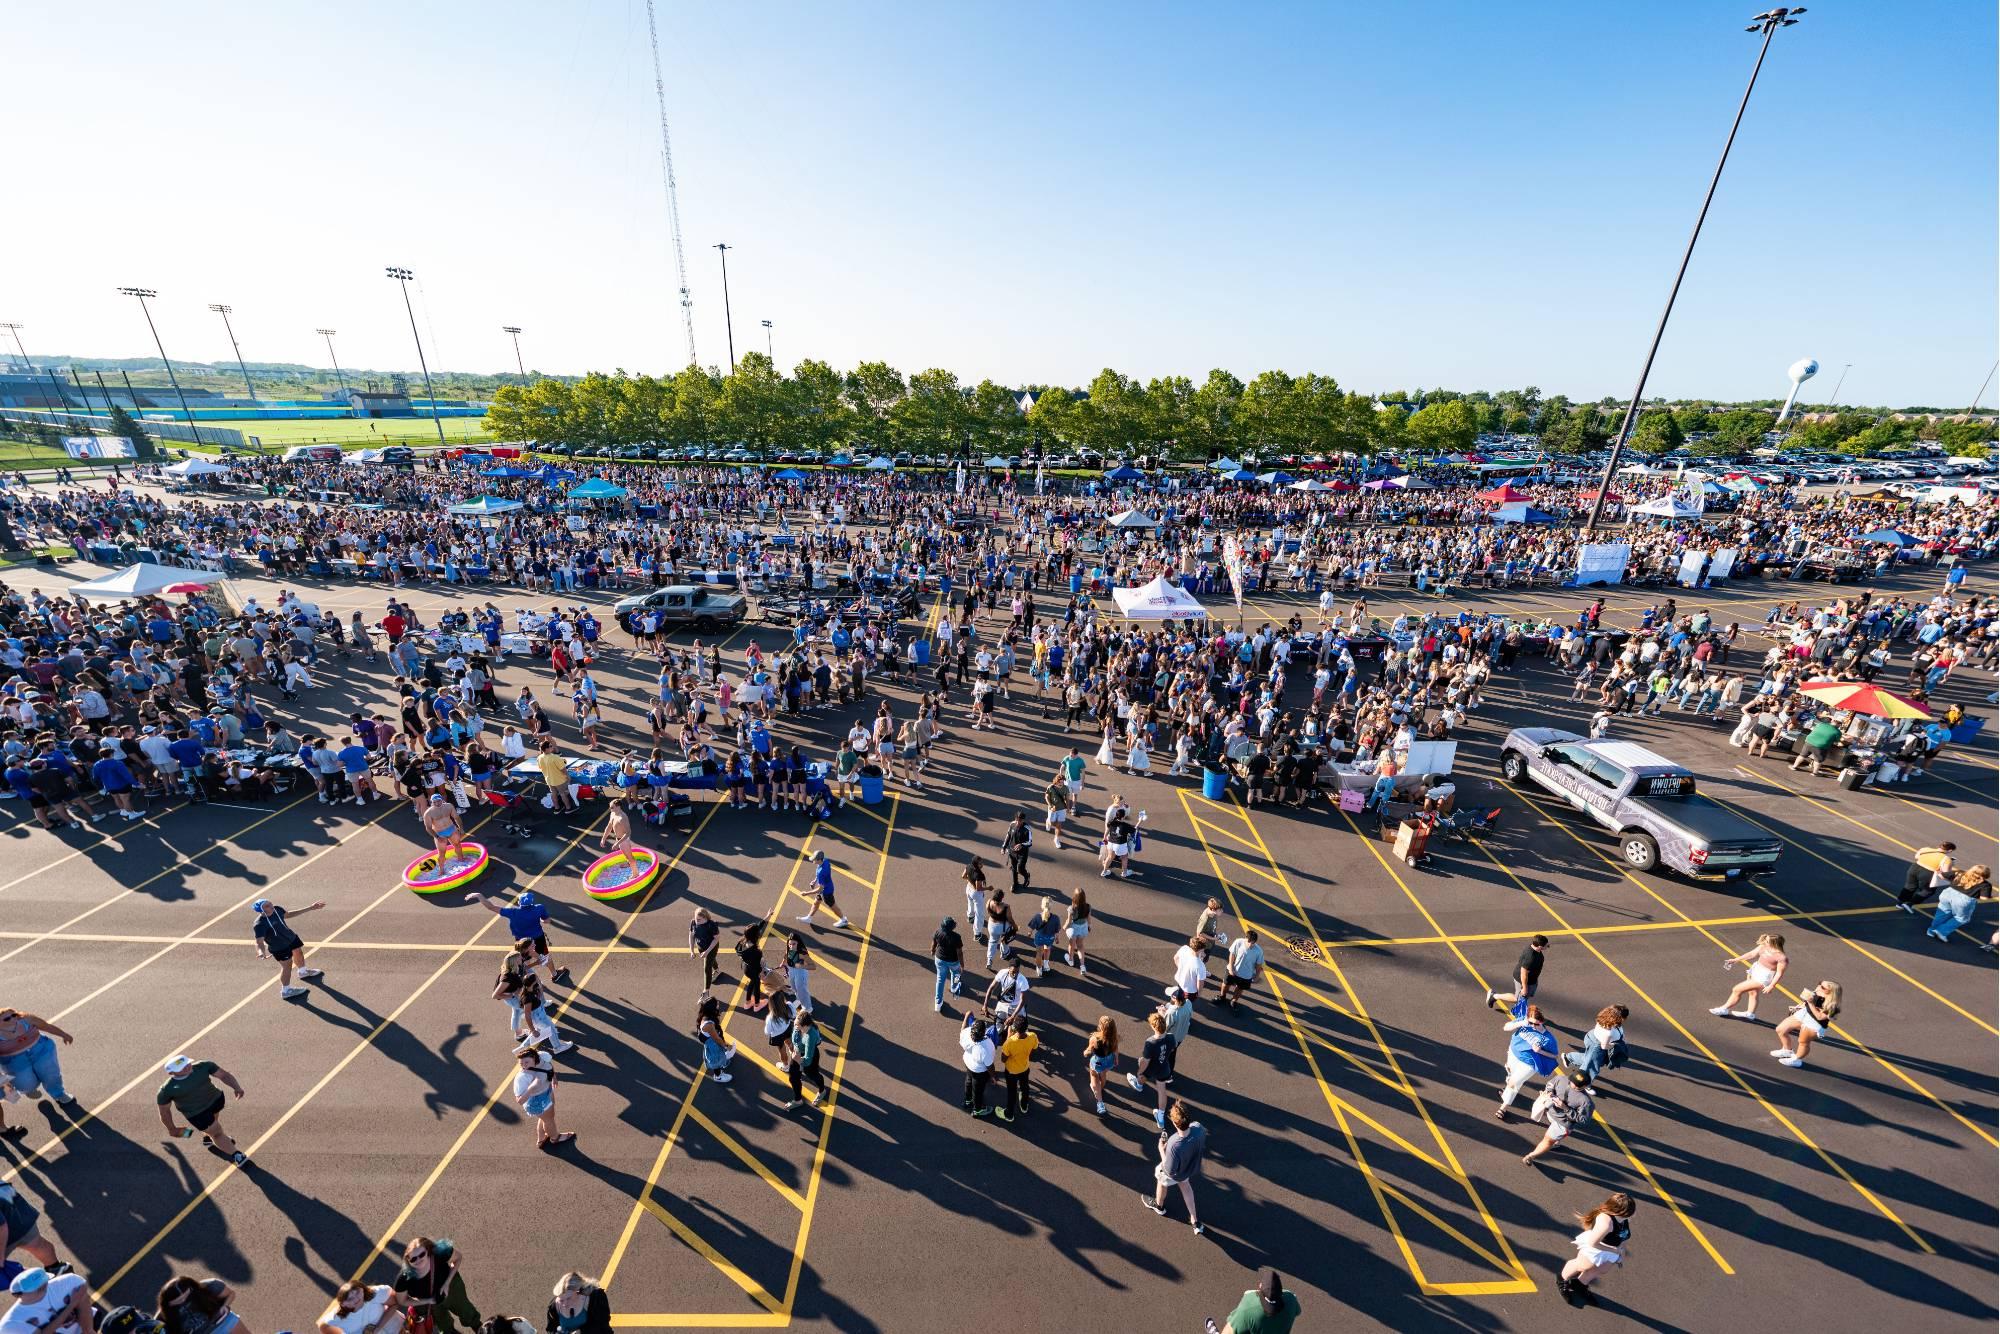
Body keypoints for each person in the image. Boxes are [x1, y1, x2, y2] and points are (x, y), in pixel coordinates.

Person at [156, 1054, 247, 1163]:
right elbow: (164, 1112)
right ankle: (236, 1155)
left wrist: (236, 1087)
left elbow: (224, 1075)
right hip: (198, 1114)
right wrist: (172, 1129)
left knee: (214, 1123)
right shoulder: (167, 1090)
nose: (187, 1067)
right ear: (171, 1073)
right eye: (181, 1067)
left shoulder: (203, 1066)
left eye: (187, 1063)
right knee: (217, 1133)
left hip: (216, 1101)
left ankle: (209, 1138)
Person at [466, 892, 570, 985]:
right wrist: (541, 921)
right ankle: (555, 974)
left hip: (521, 942)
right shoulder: (539, 908)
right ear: (531, 902)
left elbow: (491, 907)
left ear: (519, 902)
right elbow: (547, 921)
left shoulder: (512, 912)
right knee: (545, 956)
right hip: (538, 938)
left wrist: (479, 895)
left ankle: (528, 978)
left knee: (524, 960)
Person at [1140, 1098, 1206, 1235]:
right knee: (1186, 1187)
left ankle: (1159, 1206)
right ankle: (1195, 1221)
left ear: (1175, 1123)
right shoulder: (1199, 1129)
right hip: (1189, 1168)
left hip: (1176, 1172)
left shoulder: (1174, 1144)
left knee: (1161, 1180)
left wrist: (1161, 1150)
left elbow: (1169, 1170)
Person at [1559, 1193, 1635, 1307]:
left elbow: (1624, 1236)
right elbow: (1593, 1243)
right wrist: (1614, 1251)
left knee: (1601, 1270)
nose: (1631, 1216)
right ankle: (1563, 1280)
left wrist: (1621, 1252)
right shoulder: (1606, 1223)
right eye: (1627, 1214)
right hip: (1596, 1249)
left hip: (1612, 1250)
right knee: (1581, 1266)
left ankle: (1579, 1285)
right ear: (1616, 1211)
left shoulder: (1624, 1219)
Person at [393, 1238, 481, 1334]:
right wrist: (427, 1301)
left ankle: (480, 1329)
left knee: (468, 1313)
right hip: (432, 1305)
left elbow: (458, 1258)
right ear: (408, 1261)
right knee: (445, 1326)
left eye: (422, 1254)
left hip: (452, 1290)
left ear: (428, 1251)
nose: (418, 1260)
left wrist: (447, 1283)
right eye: (413, 1259)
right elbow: (402, 1300)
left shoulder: (440, 1254)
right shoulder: (404, 1279)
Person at [252, 897, 327, 1000]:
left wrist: (310, 908)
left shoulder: (277, 909)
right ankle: (286, 991)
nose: (271, 906)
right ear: (262, 910)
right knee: (287, 966)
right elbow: (259, 941)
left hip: (290, 938)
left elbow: (288, 914)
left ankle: (303, 972)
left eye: (270, 903)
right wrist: (261, 952)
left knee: (298, 952)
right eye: (267, 906)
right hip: (279, 947)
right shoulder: (259, 924)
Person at [1495, 1004, 1559, 1119]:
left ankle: (1503, 1107)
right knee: (1510, 1074)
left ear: (1542, 1021)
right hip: (1514, 1053)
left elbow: (1554, 1055)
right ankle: (1508, 1091)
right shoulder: (1525, 1021)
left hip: (1529, 1063)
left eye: (1536, 1023)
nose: (1533, 1026)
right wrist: (1521, 1023)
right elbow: (1506, 1027)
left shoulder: (1549, 1038)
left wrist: (1540, 1051)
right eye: (1531, 1023)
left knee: (1514, 1082)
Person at [0, 1009, 76, 1107]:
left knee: (50, 1075)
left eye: (14, 1015)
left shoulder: (26, 1019)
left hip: (40, 1050)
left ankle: (59, 1094)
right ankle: (30, 1089)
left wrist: (64, 1035)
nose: (13, 1018)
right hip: (14, 1061)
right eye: (7, 1019)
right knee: (24, 1084)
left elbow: (47, 1026)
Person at [1522, 1067, 1594, 1165]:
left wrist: (1565, 1108)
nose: (1573, 1085)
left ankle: (1531, 1156)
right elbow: (1550, 1084)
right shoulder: (1561, 1078)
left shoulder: (1586, 1102)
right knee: (1552, 1134)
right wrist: (1549, 1091)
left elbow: (1583, 1120)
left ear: (1585, 1086)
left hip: (1563, 1124)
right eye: (1572, 1082)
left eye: (1577, 1086)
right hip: (1551, 1112)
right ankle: (1556, 1141)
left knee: (1547, 1140)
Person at [1708, 932, 1787, 1020]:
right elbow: (1751, 954)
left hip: (1764, 977)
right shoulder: (1763, 947)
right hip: (1756, 970)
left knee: (1737, 989)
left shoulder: (1781, 958)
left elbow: (1779, 973)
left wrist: (1771, 986)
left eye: (1767, 941)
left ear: (1774, 943)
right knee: (1753, 992)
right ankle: (1750, 1014)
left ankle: (1724, 1009)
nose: (1765, 941)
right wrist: (1736, 960)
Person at [1771, 980, 1842, 1069]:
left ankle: (1797, 1060)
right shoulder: (1816, 992)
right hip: (1803, 1014)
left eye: (1823, 987)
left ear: (1831, 992)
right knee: (1781, 1029)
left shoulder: (1833, 1006)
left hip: (1814, 1023)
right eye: (1819, 984)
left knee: (1803, 1042)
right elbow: (1806, 1002)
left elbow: (1819, 1017)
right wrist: (1798, 1006)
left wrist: (1811, 1003)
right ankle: (1787, 1050)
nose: (1819, 987)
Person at [1206, 1268, 1301, 1334]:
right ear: (1281, 1290)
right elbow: (1298, 1312)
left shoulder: (1248, 1307)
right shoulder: (1291, 1299)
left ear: (1260, 1287)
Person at [1, 1268, 92, 1334]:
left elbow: (82, 1289)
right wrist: (71, 1305)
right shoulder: (11, 1324)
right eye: (40, 1287)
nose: (45, 1286)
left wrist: (88, 1331)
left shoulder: (69, 1281)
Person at [1126, 1011, 1176, 1129]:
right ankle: (1161, 1116)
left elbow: (1146, 1061)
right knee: (1162, 1091)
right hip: (1164, 1067)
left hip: (1151, 1068)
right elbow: (1172, 1049)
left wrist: (1139, 1072)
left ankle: (1138, 1084)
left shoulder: (1150, 1042)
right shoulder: (1171, 1037)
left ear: (1153, 1027)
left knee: (1142, 1073)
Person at [1564, 1005, 1630, 1085]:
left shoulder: (1606, 1019)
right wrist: (1614, 1045)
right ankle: (1585, 1084)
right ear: (1617, 1018)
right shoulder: (1608, 1032)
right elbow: (1604, 1046)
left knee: (1590, 1060)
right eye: (1624, 1017)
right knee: (1592, 1067)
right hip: (1597, 1046)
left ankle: (1569, 1057)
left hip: (1593, 1038)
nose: (1625, 1019)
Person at [1928, 865, 1993, 944]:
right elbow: (1984, 898)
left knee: (1942, 913)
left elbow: (1941, 875)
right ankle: (1941, 931)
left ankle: (1931, 931)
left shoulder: (1959, 873)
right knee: (1961, 918)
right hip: (1963, 900)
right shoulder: (1985, 885)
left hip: (1947, 894)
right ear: (1986, 875)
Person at [155, 1276, 241, 1334]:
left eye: (186, 1296)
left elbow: (230, 1294)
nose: (183, 1301)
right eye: (178, 1301)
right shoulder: (161, 1317)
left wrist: (224, 1306)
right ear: (167, 1303)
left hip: (224, 1323)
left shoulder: (208, 1286)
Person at [1483, 935, 1547, 1011]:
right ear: (1539, 946)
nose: (1548, 946)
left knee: (1524, 996)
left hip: (1532, 979)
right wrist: (1524, 987)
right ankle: (1494, 996)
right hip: (1523, 980)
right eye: (1547, 945)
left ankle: (1520, 1007)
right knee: (1517, 998)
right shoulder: (1531, 957)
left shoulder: (1533, 948)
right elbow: (1524, 973)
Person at [319, 1279, 404, 1334]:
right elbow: (322, 1326)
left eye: (357, 1292)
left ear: (362, 1289)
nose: (356, 1299)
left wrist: (377, 1328)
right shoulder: (336, 1319)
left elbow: (395, 1303)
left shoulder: (377, 1293)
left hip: (397, 1328)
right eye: (350, 1299)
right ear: (343, 1304)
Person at [997, 1013, 1040, 1122]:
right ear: (1026, 1027)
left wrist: (1008, 1037)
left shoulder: (1010, 1042)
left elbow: (1003, 1059)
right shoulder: (1033, 1036)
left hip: (1011, 1071)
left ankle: (1009, 1115)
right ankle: (1024, 1106)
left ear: (1015, 1028)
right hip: (1025, 1068)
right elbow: (1034, 1049)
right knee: (1025, 1087)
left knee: (1012, 1093)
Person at [785, 1010, 828, 1111]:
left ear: (804, 1026)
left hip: (810, 1056)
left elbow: (808, 1060)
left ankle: (822, 1091)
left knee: (813, 1075)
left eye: (797, 1025)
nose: (795, 1026)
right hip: (798, 1053)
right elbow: (795, 1038)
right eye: (795, 1023)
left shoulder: (811, 1036)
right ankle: (798, 1100)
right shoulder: (799, 1027)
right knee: (793, 1078)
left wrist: (797, 1059)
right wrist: (793, 1048)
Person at [1897, 842, 1957, 911]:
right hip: (1928, 873)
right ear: (1950, 850)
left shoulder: (1925, 849)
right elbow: (1945, 873)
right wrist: (1951, 864)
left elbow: (1916, 857)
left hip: (1914, 868)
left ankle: (1900, 903)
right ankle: (1909, 904)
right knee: (1928, 891)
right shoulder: (1946, 859)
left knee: (1909, 886)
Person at [544, 1273, 610, 1334]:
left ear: (578, 1292)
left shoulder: (596, 1299)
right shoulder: (553, 1306)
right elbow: (550, 1329)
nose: (565, 1304)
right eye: (561, 1300)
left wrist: (581, 1332)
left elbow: (602, 1325)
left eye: (569, 1298)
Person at [797, 850, 848, 929]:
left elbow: (820, 888)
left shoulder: (821, 872)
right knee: (816, 902)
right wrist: (814, 881)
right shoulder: (825, 861)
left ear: (819, 860)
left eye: (814, 859)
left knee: (833, 906)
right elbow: (819, 875)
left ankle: (843, 920)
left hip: (826, 892)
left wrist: (806, 893)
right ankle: (809, 918)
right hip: (827, 887)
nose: (813, 860)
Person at [1216, 929, 1265, 1008]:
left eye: (1253, 943)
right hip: (1233, 970)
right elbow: (1232, 955)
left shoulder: (1259, 951)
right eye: (1249, 942)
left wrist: (1257, 976)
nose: (1250, 945)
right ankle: (1222, 996)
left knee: (1240, 988)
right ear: (1245, 938)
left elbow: (1259, 965)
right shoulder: (1238, 942)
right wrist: (1231, 968)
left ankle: (1234, 1000)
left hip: (1246, 974)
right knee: (1225, 984)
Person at [960, 1013, 997, 1117]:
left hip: (968, 1064)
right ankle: (978, 1110)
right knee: (978, 1091)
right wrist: (993, 1077)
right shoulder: (986, 1047)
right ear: (983, 1032)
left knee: (968, 1082)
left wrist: (966, 1016)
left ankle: (968, 1101)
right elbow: (989, 1066)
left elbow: (963, 1028)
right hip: (979, 1072)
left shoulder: (966, 1034)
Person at [1081, 1015, 1118, 1116]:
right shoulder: (1114, 1037)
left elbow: (1089, 1050)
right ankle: (1101, 1087)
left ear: (1101, 1027)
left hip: (1098, 1062)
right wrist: (1116, 1059)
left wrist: (1085, 1053)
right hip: (1109, 1061)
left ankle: (1100, 1102)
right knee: (1103, 1075)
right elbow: (1115, 1049)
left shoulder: (1095, 1039)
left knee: (1093, 1075)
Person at [696, 993, 735, 1084]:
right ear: (711, 1009)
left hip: (711, 1039)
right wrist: (726, 1046)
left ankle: (724, 1062)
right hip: (712, 1043)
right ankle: (718, 1076)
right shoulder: (708, 1024)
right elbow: (717, 1039)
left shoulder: (707, 1015)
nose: (718, 1004)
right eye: (716, 1004)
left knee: (719, 1055)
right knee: (716, 1060)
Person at [422, 794, 467, 868]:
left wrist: (461, 828)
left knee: (457, 845)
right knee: (442, 853)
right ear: (431, 802)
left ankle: (461, 860)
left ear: (442, 800)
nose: (437, 803)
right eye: (434, 802)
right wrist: (437, 837)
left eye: (439, 801)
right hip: (440, 834)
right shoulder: (428, 813)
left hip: (451, 829)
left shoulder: (449, 806)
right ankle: (441, 870)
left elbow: (456, 817)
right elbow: (428, 828)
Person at [931, 916, 964, 1013]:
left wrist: (932, 950)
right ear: (952, 927)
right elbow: (959, 953)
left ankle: (938, 1003)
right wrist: (962, 965)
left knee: (940, 980)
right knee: (956, 974)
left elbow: (934, 943)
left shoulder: (938, 932)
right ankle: (954, 988)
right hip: (953, 961)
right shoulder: (956, 937)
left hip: (939, 959)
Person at [1026, 896, 1062, 977]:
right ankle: (1046, 965)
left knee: (1039, 953)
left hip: (1039, 937)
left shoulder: (1037, 917)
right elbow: (1057, 931)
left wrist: (1029, 933)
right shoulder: (1056, 918)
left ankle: (1039, 968)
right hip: (1050, 938)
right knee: (1047, 950)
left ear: (1042, 905)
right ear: (1051, 906)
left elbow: (1031, 928)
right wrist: (1057, 938)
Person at [688, 909, 722, 991]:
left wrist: (706, 952)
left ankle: (706, 991)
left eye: (699, 920)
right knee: (711, 960)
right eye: (696, 919)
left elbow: (716, 939)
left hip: (711, 948)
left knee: (707, 968)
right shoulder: (693, 922)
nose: (696, 921)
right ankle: (717, 970)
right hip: (700, 947)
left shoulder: (711, 925)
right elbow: (691, 935)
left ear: (705, 918)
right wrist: (691, 951)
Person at [1062, 886, 1092, 974]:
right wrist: (1089, 926)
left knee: (1071, 945)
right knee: (1080, 946)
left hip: (1073, 929)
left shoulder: (1071, 908)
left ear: (1074, 897)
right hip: (1083, 928)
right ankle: (1082, 966)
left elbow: (1068, 921)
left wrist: (1063, 928)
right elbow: (1089, 919)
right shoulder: (1088, 907)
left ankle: (1071, 959)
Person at [1002, 811, 1033, 890]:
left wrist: (1021, 845)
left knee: (1020, 869)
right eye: (1016, 819)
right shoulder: (1012, 824)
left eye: (1020, 820)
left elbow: (1030, 842)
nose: (1018, 822)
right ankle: (1015, 883)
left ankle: (1026, 876)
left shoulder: (1027, 829)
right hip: (1012, 852)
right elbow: (1008, 835)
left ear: (1023, 820)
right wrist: (1004, 847)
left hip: (1022, 854)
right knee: (1014, 868)